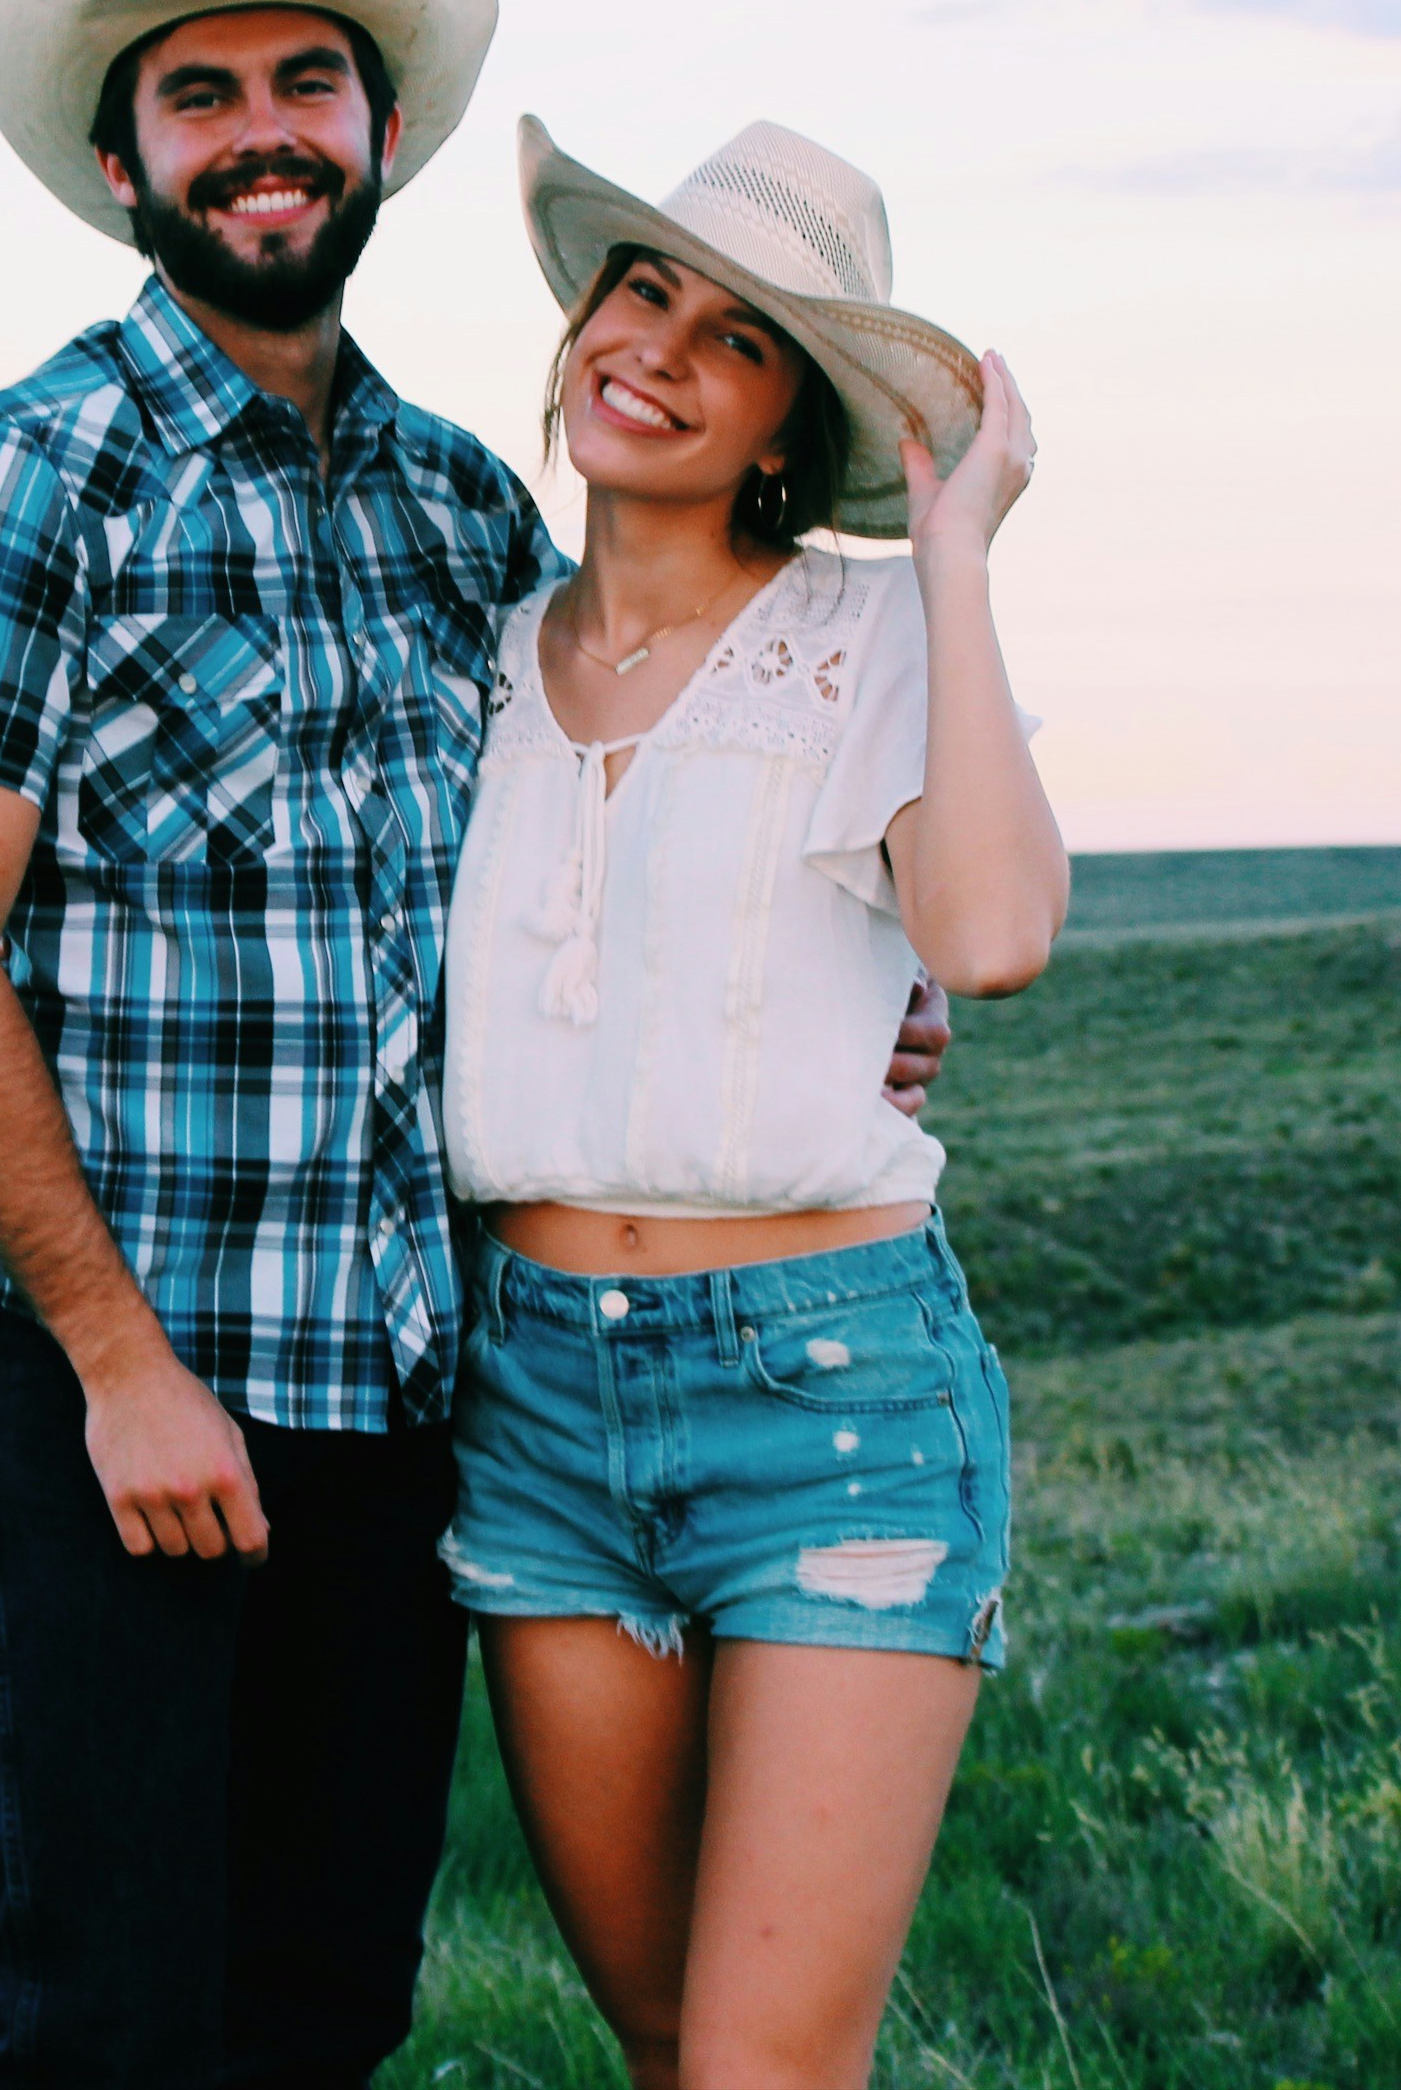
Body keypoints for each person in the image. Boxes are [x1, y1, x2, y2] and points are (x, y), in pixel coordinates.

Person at [0, 0, 958, 2085]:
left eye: (307, 85)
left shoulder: (463, 516)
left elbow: (608, 841)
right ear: (121, 160)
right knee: (98, 2026)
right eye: (202, 94)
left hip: (393, 1391)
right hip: (123, 1385)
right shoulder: (30, 473)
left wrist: (854, 993)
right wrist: (114, 1363)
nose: (263, 128)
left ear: (372, 141)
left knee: (321, 2015)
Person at [441, 116, 1064, 2090]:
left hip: (831, 1401)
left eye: (739, 338)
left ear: (792, 430)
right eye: (643, 292)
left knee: (761, 2074)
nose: (661, 349)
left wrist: (951, 559)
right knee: (662, 2040)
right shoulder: (468, 662)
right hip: (531, 1398)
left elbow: (987, 934)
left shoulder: (867, 638)